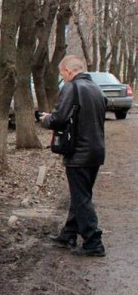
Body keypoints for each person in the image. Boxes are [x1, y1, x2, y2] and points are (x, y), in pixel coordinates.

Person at [39, 55, 107, 257]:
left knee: (82, 199)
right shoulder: (96, 88)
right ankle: (68, 234)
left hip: (79, 152)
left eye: (62, 74)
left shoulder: (72, 88)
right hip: (96, 150)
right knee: (82, 195)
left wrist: (45, 119)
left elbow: (59, 119)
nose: (63, 78)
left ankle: (94, 242)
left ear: (69, 71)